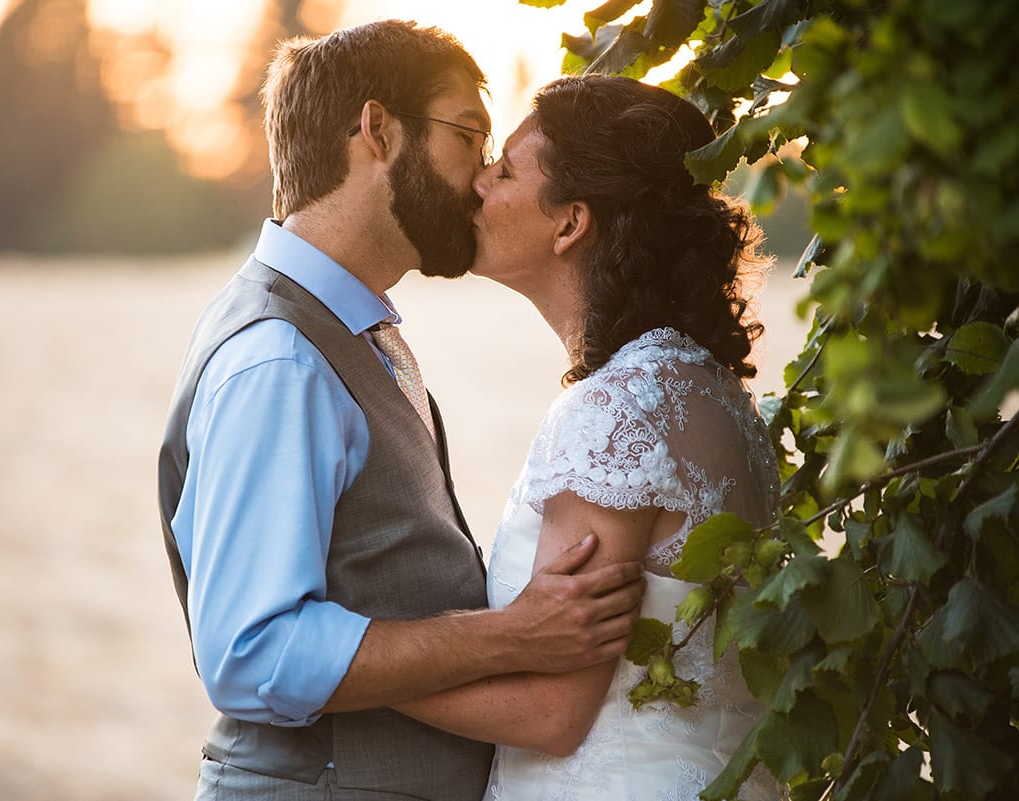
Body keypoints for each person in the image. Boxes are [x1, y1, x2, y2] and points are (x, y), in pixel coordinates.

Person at [156, 22, 646, 801]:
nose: (484, 175)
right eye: (469, 136)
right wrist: (510, 634)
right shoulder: (280, 356)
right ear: (377, 131)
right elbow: (252, 650)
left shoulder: (353, 331)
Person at [387, 75, 784, 800]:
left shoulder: (619, 408)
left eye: (504, 170)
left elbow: (551, 710)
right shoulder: (705, 388)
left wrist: (343, 675)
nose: (476, 183)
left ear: (571, 223)